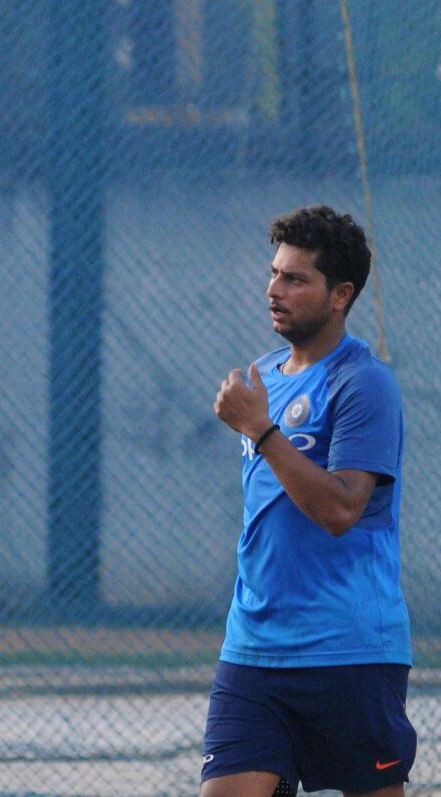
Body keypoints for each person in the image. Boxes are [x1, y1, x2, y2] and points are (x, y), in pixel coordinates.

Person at [203, 205, 415, 797]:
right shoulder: (264, 376)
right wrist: (259, 423)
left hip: (346, 649)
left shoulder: (363, 382)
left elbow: (341, 510)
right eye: (274, 273)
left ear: (341, 294)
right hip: (254, 649)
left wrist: (262, 431)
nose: (274, 289)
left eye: (296, 279)